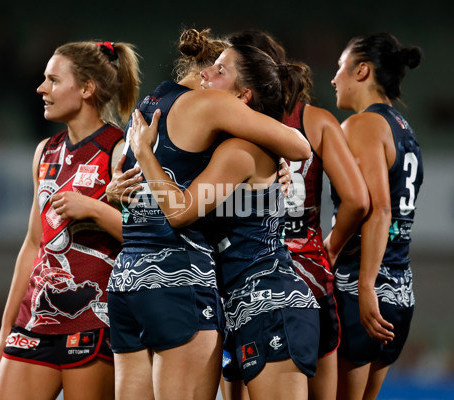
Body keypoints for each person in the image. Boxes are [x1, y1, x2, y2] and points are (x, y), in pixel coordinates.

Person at [105, 29, 311, 400]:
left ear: (242, 95)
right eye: (213, 67)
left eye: (221, 71)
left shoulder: (151, 104)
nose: (208, 77)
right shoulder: (214, 115)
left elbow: (146, 191)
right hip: (189, 279)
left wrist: (120, 180)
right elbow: (300, 144)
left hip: (131, 280)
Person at [0, 40, 140, 400]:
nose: (42, 88)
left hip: (95, 321)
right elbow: (33, 243)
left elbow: (149, 238)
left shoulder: (121, 151)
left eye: (53, 80)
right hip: (36, 319)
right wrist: (6, 325)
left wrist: (94, 209)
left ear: (87, 89)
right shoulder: (45, 152)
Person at [226, 30, 370, 400]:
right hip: (309, 272)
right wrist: (331, 249)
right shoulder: (316, 121)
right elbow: (356, 199)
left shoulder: (227, 123)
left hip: (245, 273)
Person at [330, 32, 424, 400]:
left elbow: (377, 206)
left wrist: (365, 285)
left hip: (362, 289)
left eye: (341, 67)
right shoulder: (404, 129)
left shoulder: (363, 125)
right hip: (399, 290)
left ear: (362, 71)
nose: (334, 78)